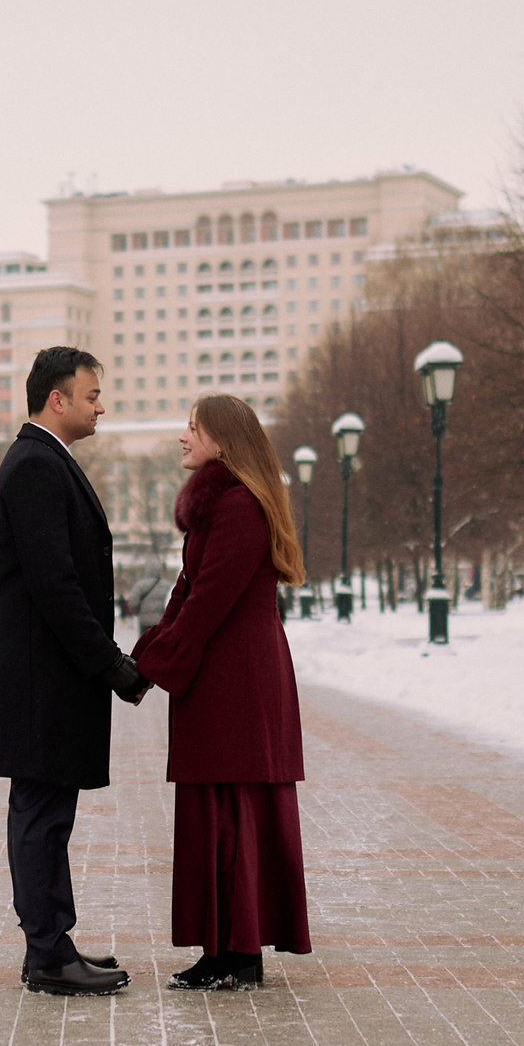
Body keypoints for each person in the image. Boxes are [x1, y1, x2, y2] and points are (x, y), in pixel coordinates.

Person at [0, 347, 153, 996]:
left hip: (44, 682)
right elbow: (56, 586)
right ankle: (47, 951)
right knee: (42, 815)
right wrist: (113, 666)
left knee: (49, 814)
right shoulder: (35, 466)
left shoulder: (44, 461)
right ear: (58, 398)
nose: (100, 405)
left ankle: (52, 941)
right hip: (38, 685)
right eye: (92, 394)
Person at [131, 394, 310, 989]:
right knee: (221, 806)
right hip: (226, 673)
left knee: (234, 806)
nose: (183, 437)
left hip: (238, 677)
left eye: (192, 428)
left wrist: (159, 660)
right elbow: (189, 590)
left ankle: (237, 951)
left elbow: (207, 601)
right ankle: (228, 948)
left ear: (222, 441)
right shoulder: (222, 505)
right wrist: (154, 652)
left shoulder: (238, 506)